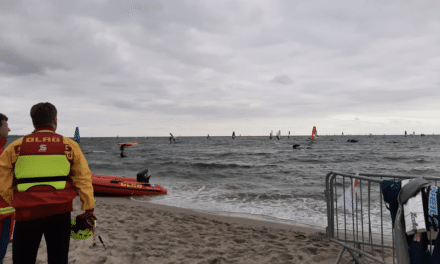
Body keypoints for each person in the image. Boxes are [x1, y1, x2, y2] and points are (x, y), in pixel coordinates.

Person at [0, 103, 96, 264]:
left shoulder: (15, 147)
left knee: (23, 259)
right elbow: (84, 179)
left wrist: (16, 202)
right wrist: (88, 207)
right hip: (60, 214)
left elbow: (3, 184)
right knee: (58, 259)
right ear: (55, 121)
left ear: (33, 122)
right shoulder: (70, 146)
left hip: (26, 215)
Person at [0, 113, 14, 264]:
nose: (9, 130)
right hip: (3, 216)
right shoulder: (3, 156)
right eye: (6, 126)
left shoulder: (4, 153)